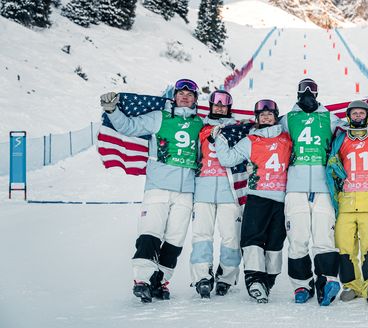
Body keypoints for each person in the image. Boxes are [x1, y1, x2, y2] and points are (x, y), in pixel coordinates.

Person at [100, 79, 204, 303]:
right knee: (150, 233)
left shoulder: (200, 123)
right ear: (174, 96)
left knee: (175, 240)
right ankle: (142, 280)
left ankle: (161, 281)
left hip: (186, 191)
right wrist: (112, 110)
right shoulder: (159, 117)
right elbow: (129, 126)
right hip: (158, 187)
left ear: (196, 99)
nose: (185, 97)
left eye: (190, 94)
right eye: (181, 93)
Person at [213, 99, 292, 303]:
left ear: (276, 117)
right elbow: (228, 159)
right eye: (262, 115)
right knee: (252, 239)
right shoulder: (250, 140)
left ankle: (268, 279)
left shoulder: (287, 137)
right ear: (256, 119)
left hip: (282, 199)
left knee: (275, 242)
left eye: (270, 114)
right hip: (257, 196)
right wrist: (219, 140)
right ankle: (254, 279)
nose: (266, 117)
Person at [278, 78, 346, 306]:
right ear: (297, 92)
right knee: (297, 238)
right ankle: (301, 284)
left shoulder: (330, 118)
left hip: (322, 187)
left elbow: (355, 124)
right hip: (295, 186)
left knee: (324, 236)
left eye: (312, 89)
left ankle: (327, 281)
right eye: (304, 88)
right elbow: (265, 127)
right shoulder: (288, 119)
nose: (308, 92)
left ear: (318, 93)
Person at [326, 100, 368, 306]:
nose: (358, 116)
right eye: (355, 113)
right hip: (347, 201)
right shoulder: (341, 138)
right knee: (344, 246)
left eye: (362, 113)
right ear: (349, 116)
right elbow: (332, 161)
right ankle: (351, 285)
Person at [189, 90, 242, 298]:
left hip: (230, 191)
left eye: (224, 105)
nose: (220, 108)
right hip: (204, 188)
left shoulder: (238, 129)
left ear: (229, 108)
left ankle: (226, 277)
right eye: (216, 105)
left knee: (231, 237)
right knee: (202, 235)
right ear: (210, 106)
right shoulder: (201, 127)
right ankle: (202, 276)